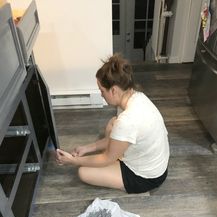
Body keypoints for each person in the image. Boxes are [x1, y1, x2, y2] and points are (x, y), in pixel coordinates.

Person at [56, 53, 169, 194]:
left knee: (84, 172)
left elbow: (106, 158)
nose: (101, 95)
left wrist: (73, 161)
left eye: (102, 91)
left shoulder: (128, 120)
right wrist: (87, 148)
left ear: (114, 90)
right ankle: (113, 158)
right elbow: (118, 137)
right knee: (112, 123)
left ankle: (123, 177)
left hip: (146, 177)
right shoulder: (136, 96)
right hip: (156, 165)